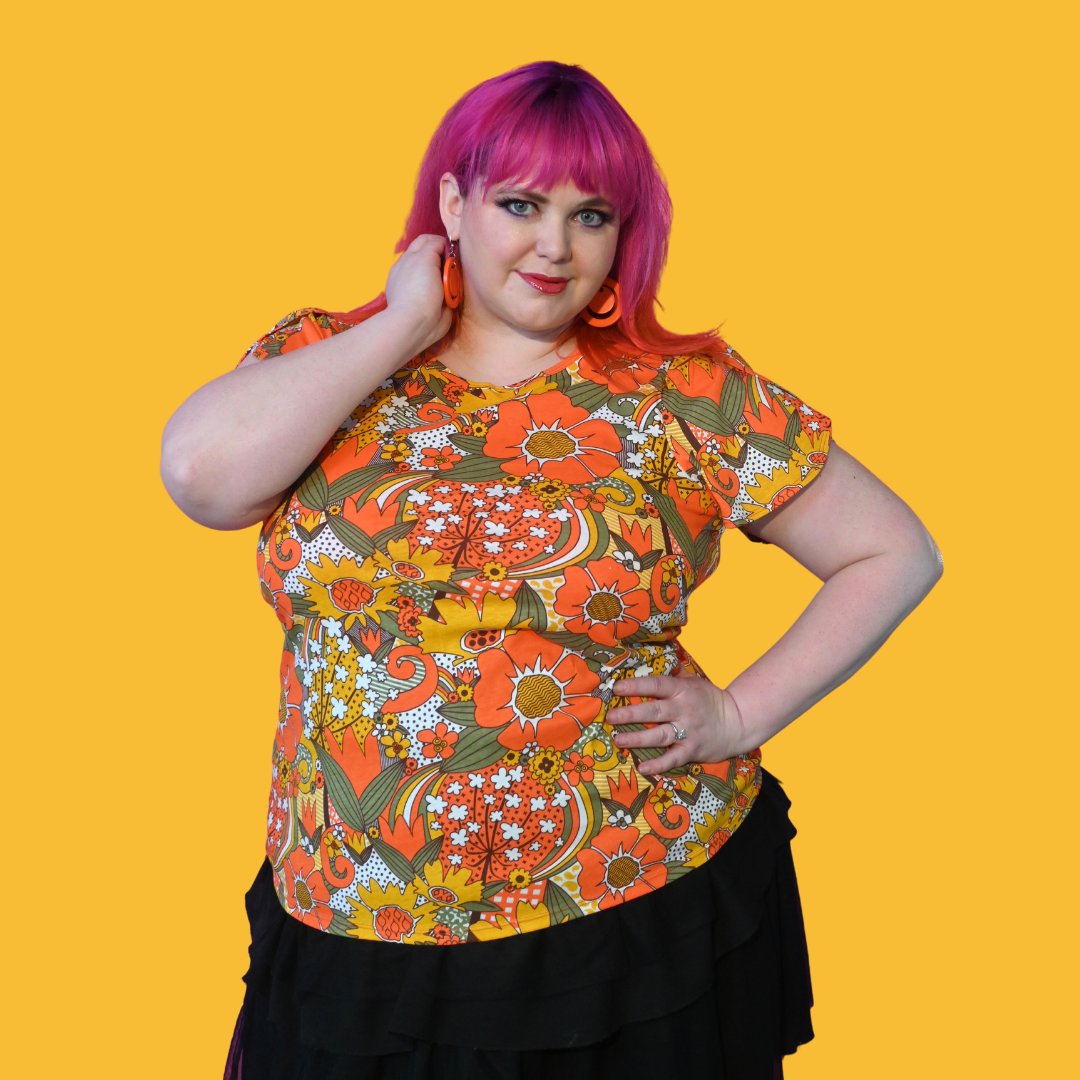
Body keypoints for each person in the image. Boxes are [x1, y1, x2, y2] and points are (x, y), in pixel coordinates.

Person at [161, 61, 942, 1080]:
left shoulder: (682, 394)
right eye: (520, 204)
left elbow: (894, 551)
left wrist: (737, 717)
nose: (553, 245)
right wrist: (402, 325)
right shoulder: (329, 357)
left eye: (592, 215)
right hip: (352, 910)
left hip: (618, 913)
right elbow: (203, 481)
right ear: (452, 204)